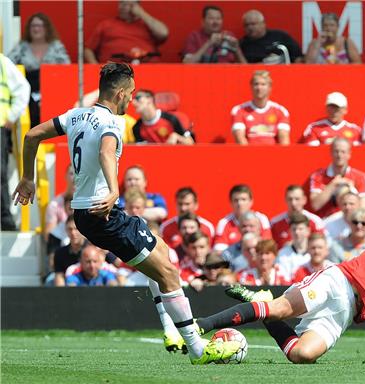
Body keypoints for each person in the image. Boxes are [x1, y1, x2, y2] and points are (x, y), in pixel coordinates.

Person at [12, 62, 238, 364]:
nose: (131, 99)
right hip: (101, 213)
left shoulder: (76, 114)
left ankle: (171, 329)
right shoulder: (111, 123)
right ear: (119, 93)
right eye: (130, 93)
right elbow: (107, 151)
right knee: (169, 273)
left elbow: (31, 136)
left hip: (88, 213)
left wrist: (27, 178)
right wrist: (114, 190)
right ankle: (198, 348)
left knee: (164, 252)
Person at [193, 120, 365, 365]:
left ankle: (262, 306)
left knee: (301, 355)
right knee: (280, 309)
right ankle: (203, 325)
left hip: (350, 309)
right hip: (338, 280)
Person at [7, 13, 70, 127]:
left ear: (46, 28)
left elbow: (67, 67)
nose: (36, 29)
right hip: (28, 91)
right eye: (33, 26)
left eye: (40, 25)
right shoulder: (22, 46)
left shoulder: (56, 46)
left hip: (53, 90)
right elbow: (8, 65)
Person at [84, 0, 169, 63]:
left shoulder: (147, 24)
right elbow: (88, 49)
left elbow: (163, 33)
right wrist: (96, 69)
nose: (122, 7)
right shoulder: (106, 25)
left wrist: (141, 13)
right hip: (115, 72)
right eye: (121, 3)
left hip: (149, 69)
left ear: (137, 6)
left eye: (127, 4)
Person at [1, 54, 31, 231]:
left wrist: (11, 116)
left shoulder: (2, 62)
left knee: (0, 174)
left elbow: (22, 88)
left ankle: (4, 220)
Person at [309, 137, 365, 218]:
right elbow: (315, 205)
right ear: (331, 153)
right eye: (336, 151)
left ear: (349, 154)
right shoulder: (318, 176)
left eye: (343, 152)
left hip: (351, 221)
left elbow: (364, 209)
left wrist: (351, 189)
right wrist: (333, 184)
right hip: (326, 221)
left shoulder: (361, 177)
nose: (339, 155)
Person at [231, 70, 290, 145]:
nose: (259, 88)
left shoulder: (280, 111)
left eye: (263, 84)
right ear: (251, 86)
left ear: (269, 87)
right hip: (248, 155)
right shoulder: (239, 110)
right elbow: (240, 140)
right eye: (256, 84)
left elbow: (284, 140)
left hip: (274, 155)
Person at [214, 184, 272, 252]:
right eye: (236, 200)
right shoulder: (223, 223)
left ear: (251, 201)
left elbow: (268, 245)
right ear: (231, 202)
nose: (240, 203)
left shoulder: (261, 219)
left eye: (243, 199)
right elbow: (219, 251)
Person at [182, 5, 246, 64]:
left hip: (228, 73)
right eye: (211, 18)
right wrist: (209, 43)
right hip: (203, 74)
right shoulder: (194, 36)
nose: (215, 22)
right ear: (203, 22)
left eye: (218, 19)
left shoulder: (229, 35)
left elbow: (245, 67)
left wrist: (236, 49)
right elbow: (188, 63)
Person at [276, 212, 313, 280]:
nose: (297, 232)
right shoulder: (282, 254)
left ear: (308, 230)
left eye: (300, 229)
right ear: (290, 231)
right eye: (294, 229)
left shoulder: (315, 253)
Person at [53, 215, 87, 287]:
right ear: (66, 230)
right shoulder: (60, 253)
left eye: (76, 229)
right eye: (70, 229)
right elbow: (59, 276)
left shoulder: (94, 248)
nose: (73, 233)